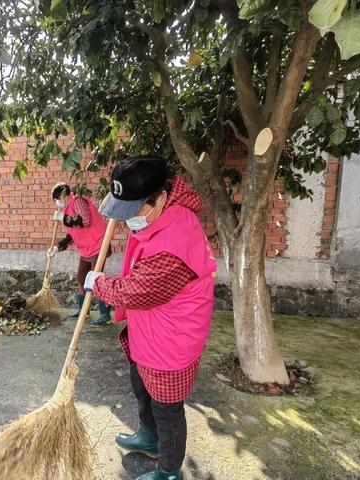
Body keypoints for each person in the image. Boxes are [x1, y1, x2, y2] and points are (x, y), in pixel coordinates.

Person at [84, 156, 216, 480]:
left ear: (159, 198)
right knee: (141, 385)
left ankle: (170, 470)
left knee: (168, 409)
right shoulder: (157, 216)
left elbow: (137, 291)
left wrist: (99, 283)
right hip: (150, 329)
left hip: (172, 340)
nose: (129, 220)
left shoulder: (174, 243)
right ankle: (148, 435)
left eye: (134, 211)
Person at [49, 182, 112, 326]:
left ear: (63, 196)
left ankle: (104, 313)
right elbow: (72, 234)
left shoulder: (77, 201)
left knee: (96, 280)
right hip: (87, 248)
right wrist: (57, 248)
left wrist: (63, 218)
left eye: (57, 199)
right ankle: (83, 308)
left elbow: (85, 220)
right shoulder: (69, 209)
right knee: (81, 277)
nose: (57, 203)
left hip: (98, 245)